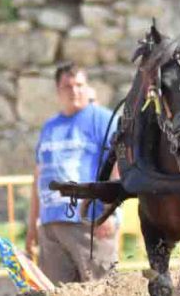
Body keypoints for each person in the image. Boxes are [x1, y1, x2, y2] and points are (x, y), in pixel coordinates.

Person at [26, 62, 120, 284]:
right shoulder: (49, 127)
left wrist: (109, 212)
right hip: (51, 226)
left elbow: (118, 167)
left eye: (80, 85)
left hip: (89, 222)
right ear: (58, 91)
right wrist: (32, 227)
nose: (75, 91)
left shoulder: (102, 120)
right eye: (68, 86)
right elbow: (39, 176)